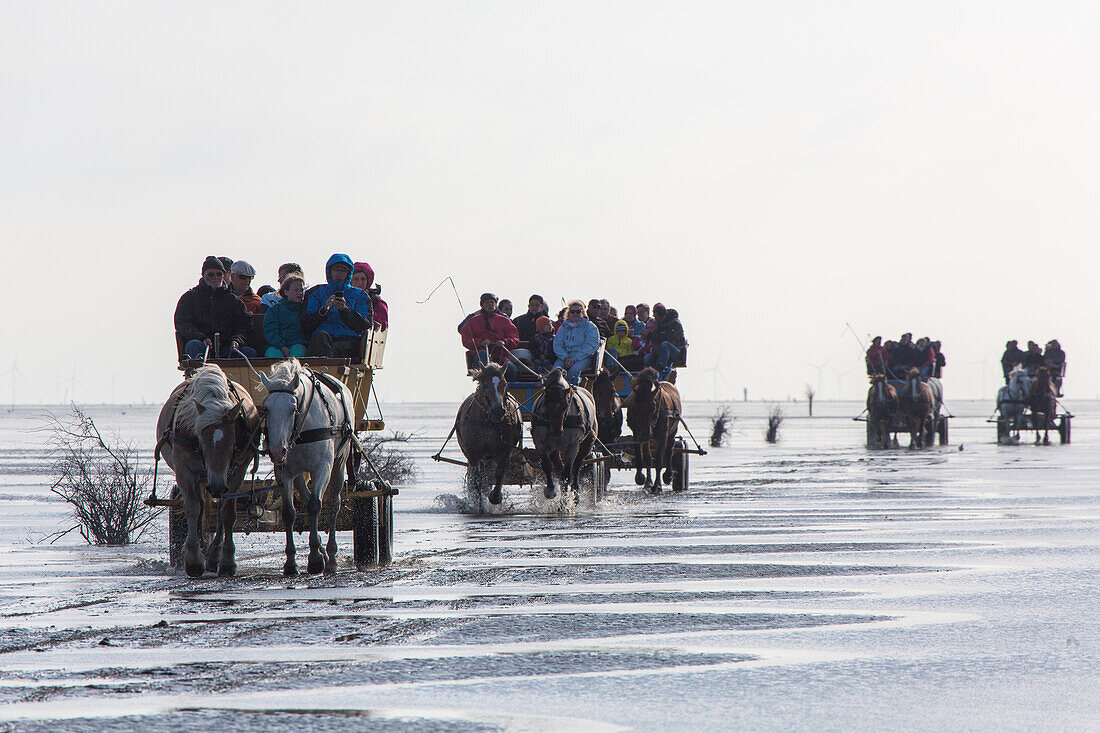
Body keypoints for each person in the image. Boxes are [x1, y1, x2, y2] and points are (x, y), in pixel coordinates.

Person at [175, 256, 255, 359]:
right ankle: (198, 373)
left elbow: (245, 325)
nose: (215, 277)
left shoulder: (233, 301)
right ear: (203, 275)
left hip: (226, 348)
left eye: (219, 274)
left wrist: (237, 340)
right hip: (201, 345)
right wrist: (201, 337)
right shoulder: (189, 298)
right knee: (193, 345)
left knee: (249, 353)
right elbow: (182, 323)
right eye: (211, 274)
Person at [302, 254, 373, 358]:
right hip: (321, 340)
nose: (339, 273)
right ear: (329, 271)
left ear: (348, 273)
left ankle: (327, 368)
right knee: (321, 337)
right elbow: (306, 323)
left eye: (343, 270)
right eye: (336, 269)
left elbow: (365, 324)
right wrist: (324, 310)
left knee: (331, 348)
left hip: (348, 342)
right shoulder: (315, 293)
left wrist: (345, 310)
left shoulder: (360, 295)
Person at [460, 292, 521, 379]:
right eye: (487, 302)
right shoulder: (473, 321)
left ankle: (505, 391)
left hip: (500, 356)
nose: (490, 304)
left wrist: (504, 342)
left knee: (512, 370)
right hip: (482, 355)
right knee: (485, 360)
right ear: (482, 305)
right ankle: (488, 388)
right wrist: (480, 342)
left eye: (492, 302)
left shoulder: (504, 321)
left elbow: (514, 338)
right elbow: (466, 340)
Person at [553, 300, 600, 385]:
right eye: (572, 312)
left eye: (578, 312)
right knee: (555, 371)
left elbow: (590, 346)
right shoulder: (563, 327)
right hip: (564, 357)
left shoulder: (590, 327)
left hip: (583, 358)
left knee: (574, 371)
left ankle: (570, 393)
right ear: (569, 313)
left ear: (583, 313)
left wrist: (575, 358)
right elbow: (557, 344)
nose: (575, 314)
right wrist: (565, 357)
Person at [263, 274, 307, 358]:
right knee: (273, 356)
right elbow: (271, 331)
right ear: (286, 291)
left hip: (297, 343)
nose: (300, 293)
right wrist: (282, 347)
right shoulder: (275, 310)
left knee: (297, 356)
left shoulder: (304, 309)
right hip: (276, 345)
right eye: (296, 290)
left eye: (301, 290)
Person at [643, 303, 686, 381]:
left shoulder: (674, 323)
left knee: (665, 344)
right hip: (662, 352)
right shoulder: (659, 324)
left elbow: (668, 338)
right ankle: (647, 374)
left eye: (657, 317)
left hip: (676, 351)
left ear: (663, 316)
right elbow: (657, 337)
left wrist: (654, 337)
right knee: (648, 357)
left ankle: (660, 369)